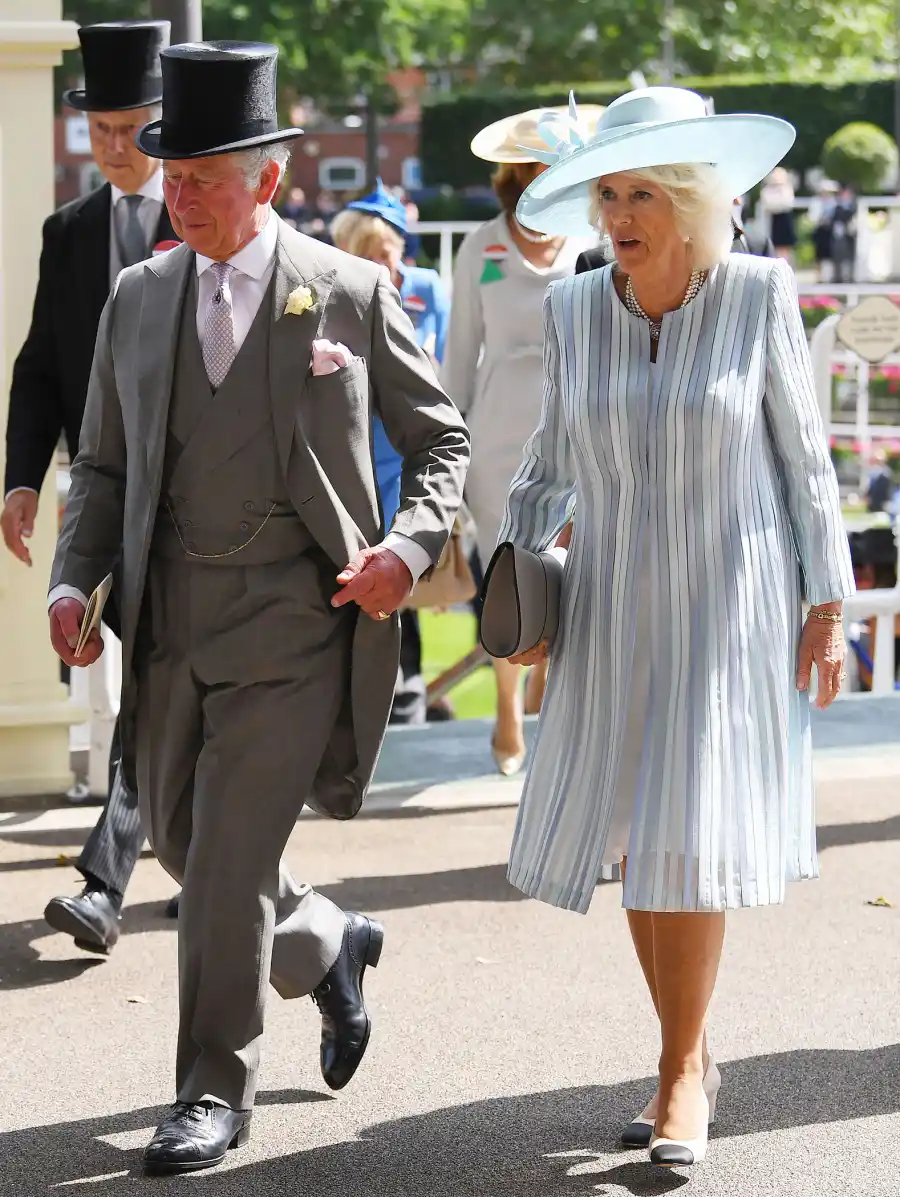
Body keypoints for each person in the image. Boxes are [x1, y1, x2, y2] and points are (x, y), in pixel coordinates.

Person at [47, 41, 469, 1175]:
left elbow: (443, 442)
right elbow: (104, 468)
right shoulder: (137, 300)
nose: (178, 196)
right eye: (169, 173)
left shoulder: (348, 289)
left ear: (270, 179)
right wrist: (73, 582)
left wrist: (405, 547)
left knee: (226, 865)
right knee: (183, 838)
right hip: (171, 623)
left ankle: (211, 1090)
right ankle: (330, 940)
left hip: (300, 618)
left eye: (203, 178)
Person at [497, 86, 854, 1170]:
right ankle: (688, 1056)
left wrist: (827, 607)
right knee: (638, 840)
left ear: (695, 203)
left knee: (687, 839)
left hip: (727, 603)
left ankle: (675, 1076)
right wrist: (513, 571)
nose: (619, 215)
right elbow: (550, 462)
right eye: (608, 193)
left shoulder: (755, 295)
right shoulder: (572, 308)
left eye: (643, 192)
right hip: (610, 600)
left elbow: (807, 465)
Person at [2, 19, 179, 955]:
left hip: (194, 495)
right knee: (135, 668)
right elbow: (39, 364)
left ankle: (110, 879)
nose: (115, 147)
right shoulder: (68, 233)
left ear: (162, 121)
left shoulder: (201, 214)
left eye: (131, 127)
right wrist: (21, 479)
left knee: (157, 677)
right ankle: (228, 867)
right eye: (100, 129)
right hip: (99, 487)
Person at [440, 101, 602, 775]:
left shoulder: (596, 243)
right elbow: (457, 361)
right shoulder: (483, 246)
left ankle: (547, 699)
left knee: (575, 582)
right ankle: (508, 700)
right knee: (509, 579)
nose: (551, 175)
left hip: (580, 432)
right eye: (540, 163)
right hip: (497, 441)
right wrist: (444, 462)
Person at [331, 180, 452, 723]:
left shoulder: (429, 288)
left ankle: (410, 698)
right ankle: (358, 697)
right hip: (354, 455)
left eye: (390, 251)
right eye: (371, 255)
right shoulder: (339, 293)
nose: (385, 264)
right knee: (356, 568)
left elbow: (444, 370)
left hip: (412, 453)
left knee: (406, 562)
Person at [760, 166, 797, 262]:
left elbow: (787, 202)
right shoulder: (767, 190)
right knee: (775, 246)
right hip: (775, 219)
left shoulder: (786, 188)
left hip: (785, 218)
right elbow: (768, 203)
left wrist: (776, 204)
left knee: (786, 246)